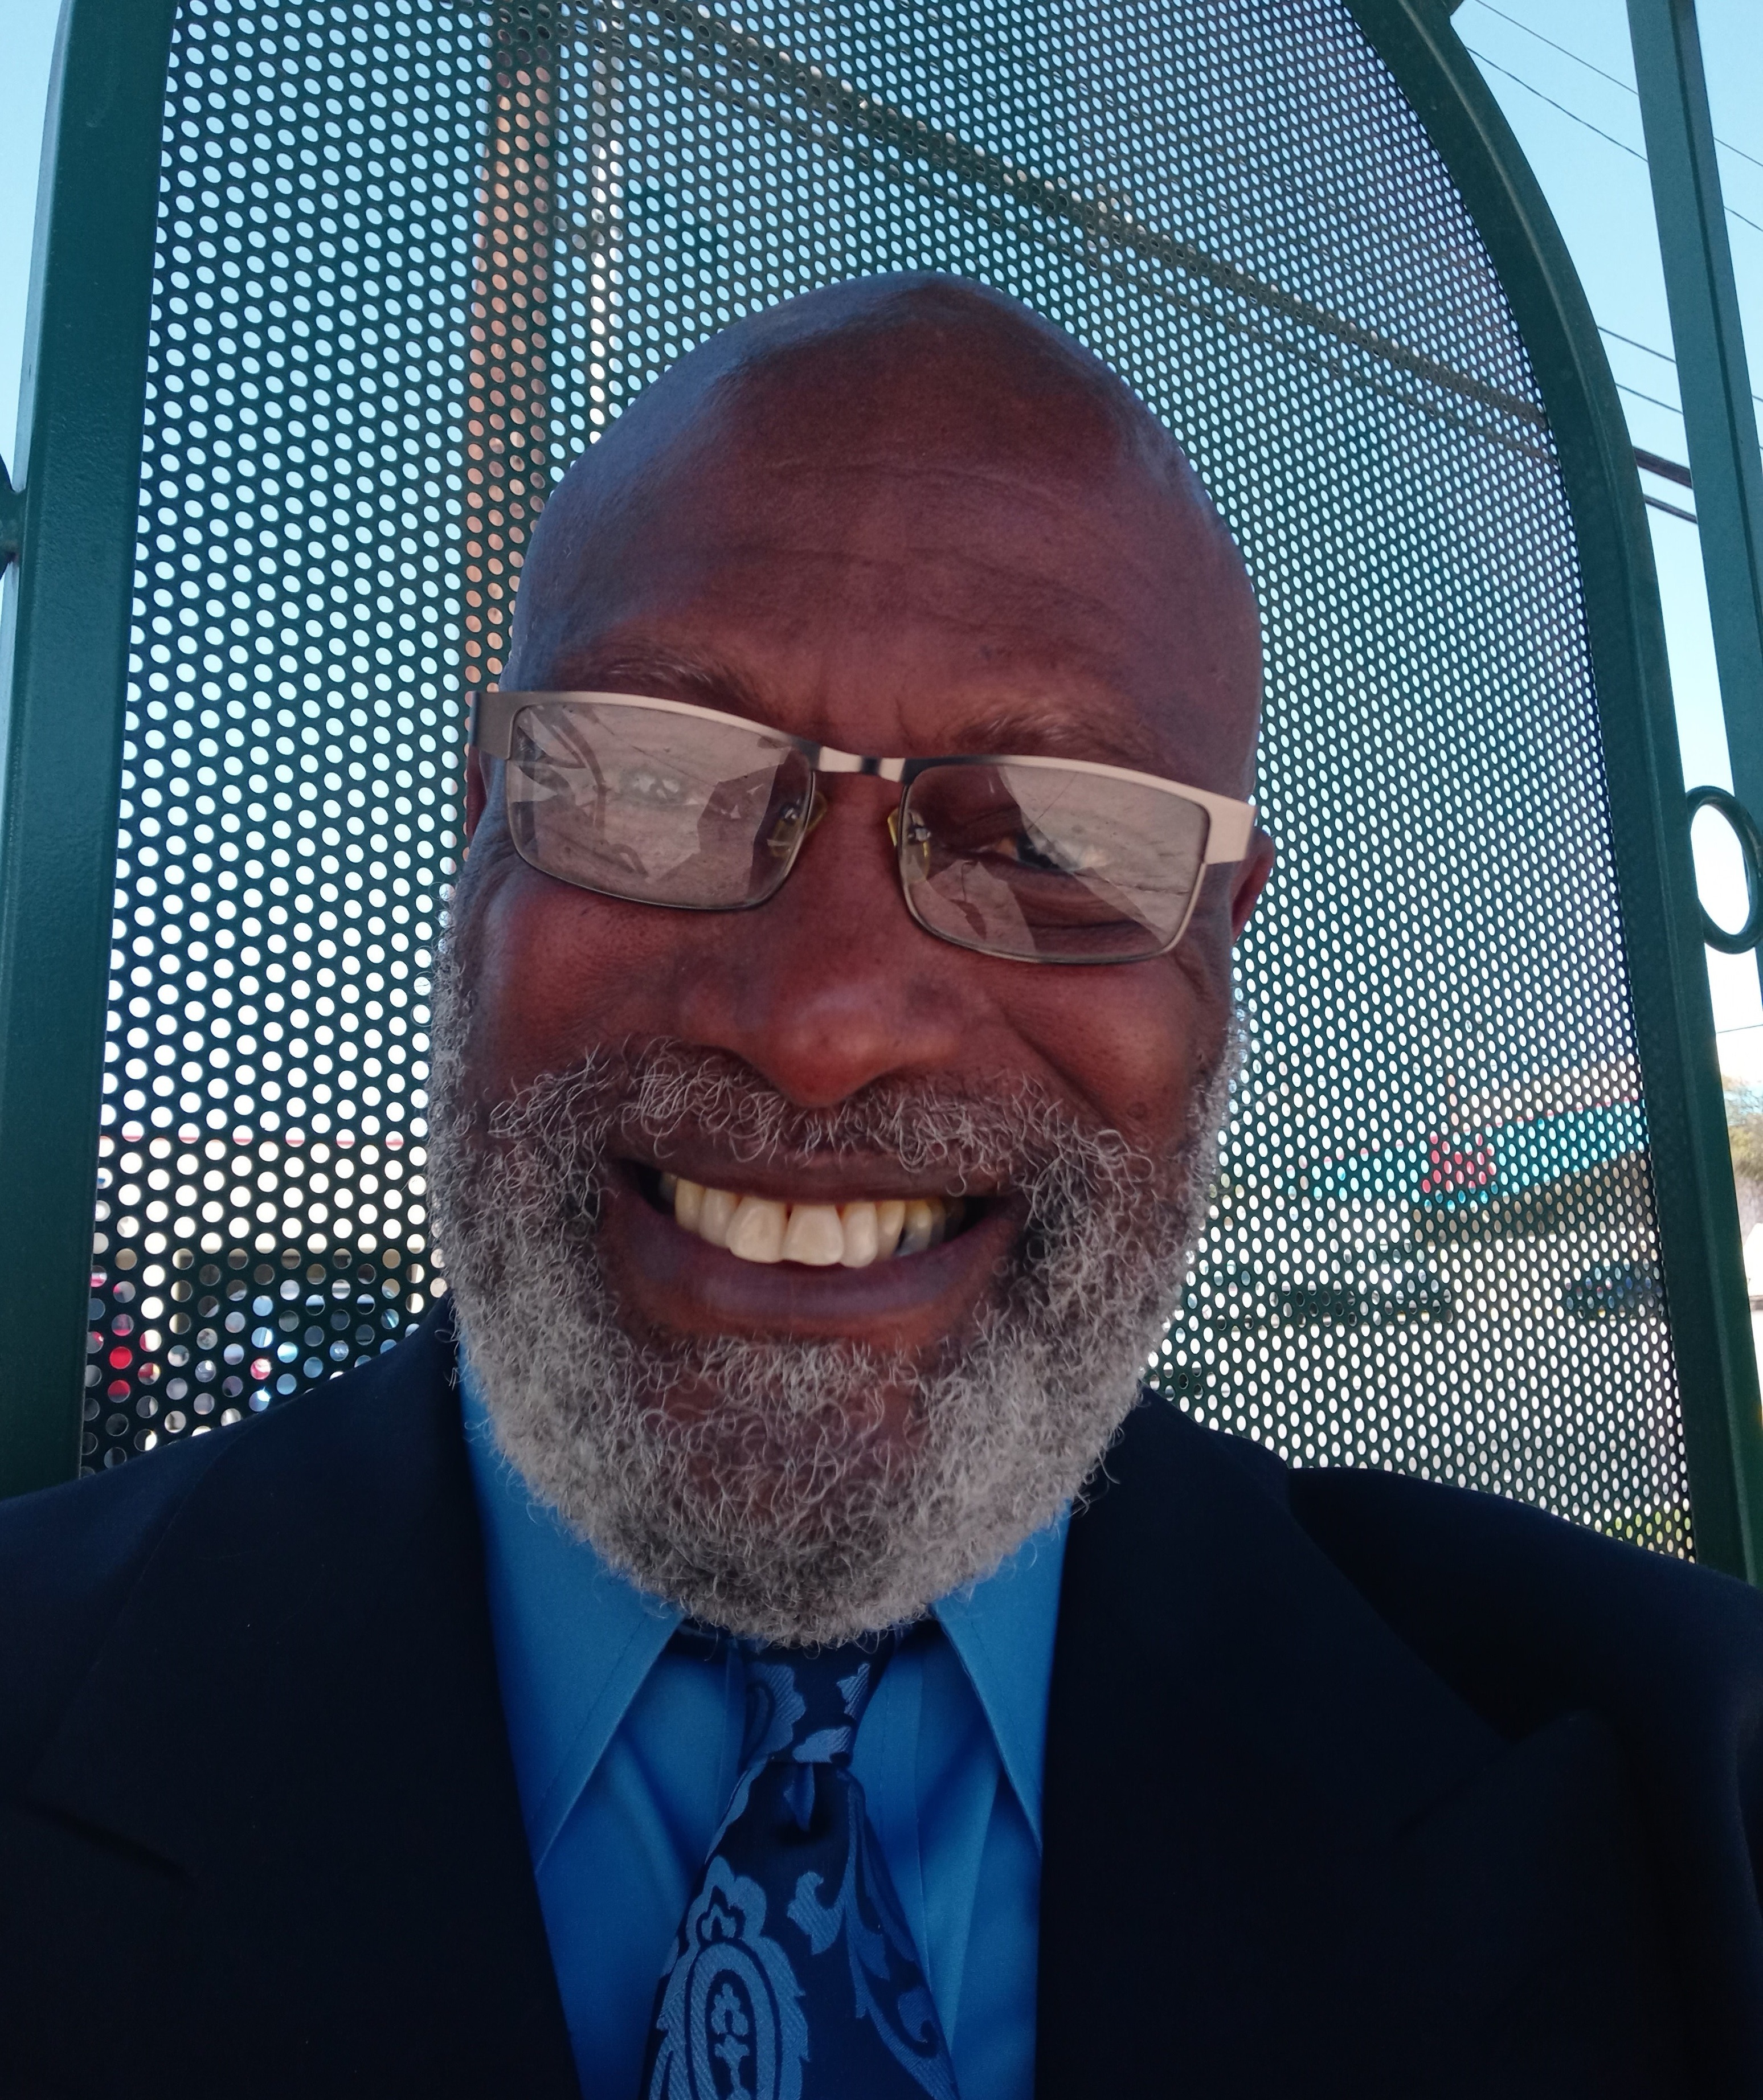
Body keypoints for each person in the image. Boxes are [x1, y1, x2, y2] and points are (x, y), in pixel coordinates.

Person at [2, 274, 1761, 2100]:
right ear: (480, 842)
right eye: (656, 780)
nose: (823, 1022)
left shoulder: (1689, 1804)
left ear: (1219, 958)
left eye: (1054, 840)